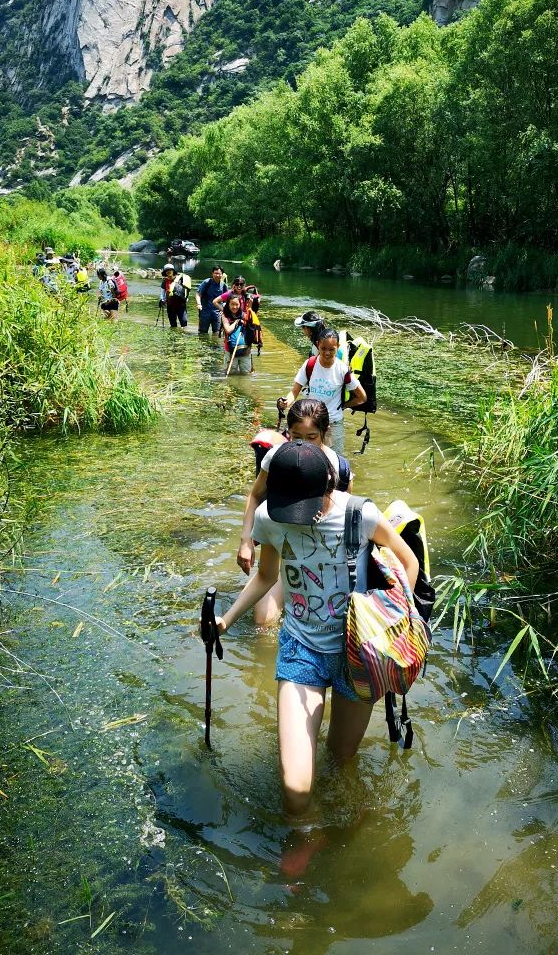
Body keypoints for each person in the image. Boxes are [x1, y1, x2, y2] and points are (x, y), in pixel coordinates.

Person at [213, 439, 419, 818]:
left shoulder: (361, 514)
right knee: (295, 789)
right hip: (301, 649)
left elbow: (407, 562)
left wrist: (394, 625)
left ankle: (341, 824)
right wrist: (225, 621)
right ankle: (308, 834)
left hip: (357, 652)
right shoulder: (271, 517)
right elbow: (266, 577)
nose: (295, 516)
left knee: (341, 759)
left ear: (328, 487)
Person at [238, 399, 353, 626]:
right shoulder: (277, 459)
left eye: (312, 437)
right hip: (284, 545)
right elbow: (255, 496)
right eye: (296, 437)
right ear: (288, 433)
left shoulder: (339, 468)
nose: (304, 445)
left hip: (320, 554)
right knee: (263, 622)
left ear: (324, 433)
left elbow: (348, 521)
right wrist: (245, 540)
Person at [280, 328, 366, 455]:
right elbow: (294, 392)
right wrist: (286, 402)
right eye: (323, 348)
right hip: (311, 423)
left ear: (338, 347)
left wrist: (342, 406)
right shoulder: (309, 365)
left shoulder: (342, 370)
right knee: (307, 457)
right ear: (317, 345)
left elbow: (362, 397)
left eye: (332, 349)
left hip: (334, 423)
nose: (327, 353)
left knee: (335, 461)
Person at [221, 294, 252, 373]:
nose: (235, 307)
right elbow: (228, 330)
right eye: (232, 304)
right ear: (228, 305)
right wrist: (236, 322)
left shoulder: (245, 316)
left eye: (237, 304)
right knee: (231, 373)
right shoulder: (225, 316)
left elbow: (251, 333)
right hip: (230, 351)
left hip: (245, 350)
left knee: (246, 373)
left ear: (240, 305)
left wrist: (249, 348)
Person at [196, 266, 226, 335]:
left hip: (217, 313)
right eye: (216, 273)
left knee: (217, 333)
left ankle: (215, 345)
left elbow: (226, 299)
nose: (217, 275)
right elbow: (198, 293)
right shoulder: (207, 282)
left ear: (222, 274)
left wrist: (224, 310)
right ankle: (203, 345)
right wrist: (199, 304)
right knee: (202, 333)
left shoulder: (223, 285)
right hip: (205, 311)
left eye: (219, 274)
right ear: (212, 273)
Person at [160, 262, 189, 328]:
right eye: (166, 271)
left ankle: (183, 336)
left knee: (184, 323)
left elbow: (187, 289)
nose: (168, 272)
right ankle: (173, 336)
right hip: (170, 305)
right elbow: (162, 292)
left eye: (170, 270)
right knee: (173, 324)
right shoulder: (165, 281)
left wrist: (186, 298)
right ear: (165, 273)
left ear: (173, 271)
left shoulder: (180, 280)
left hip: (181, 305)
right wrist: (162, 299)